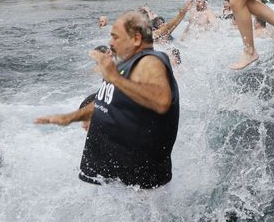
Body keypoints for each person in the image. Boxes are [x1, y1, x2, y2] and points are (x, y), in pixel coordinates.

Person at [35, 11, 179, 189]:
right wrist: (72, 117)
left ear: (136, 39)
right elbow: (111, 101)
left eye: (116, 37)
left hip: (140, 186)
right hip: (120, 178)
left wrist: (114, 77)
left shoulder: (150, 61)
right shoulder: (125, 65)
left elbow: (161, 101)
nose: (110, 43)